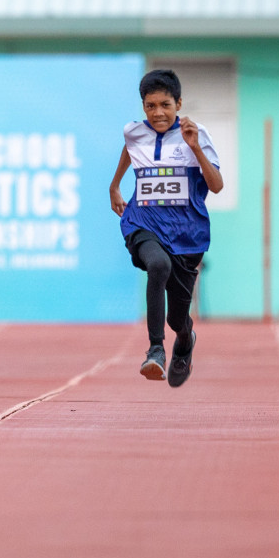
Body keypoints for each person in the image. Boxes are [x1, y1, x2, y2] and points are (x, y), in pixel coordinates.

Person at [109, 69, 223, 386]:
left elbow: (217, 186)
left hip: (187, 235)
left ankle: (184, 341)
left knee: (177, 318)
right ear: (143, 106)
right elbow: (129, 150)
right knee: (156, 265)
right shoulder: (134, 132)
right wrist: (115, 185)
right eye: (150, 106)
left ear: (178, 103)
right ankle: (156, 350)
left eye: (165, 105)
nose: (158, 113)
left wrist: (196, 147)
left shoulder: (196, 134)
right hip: (143, 221)